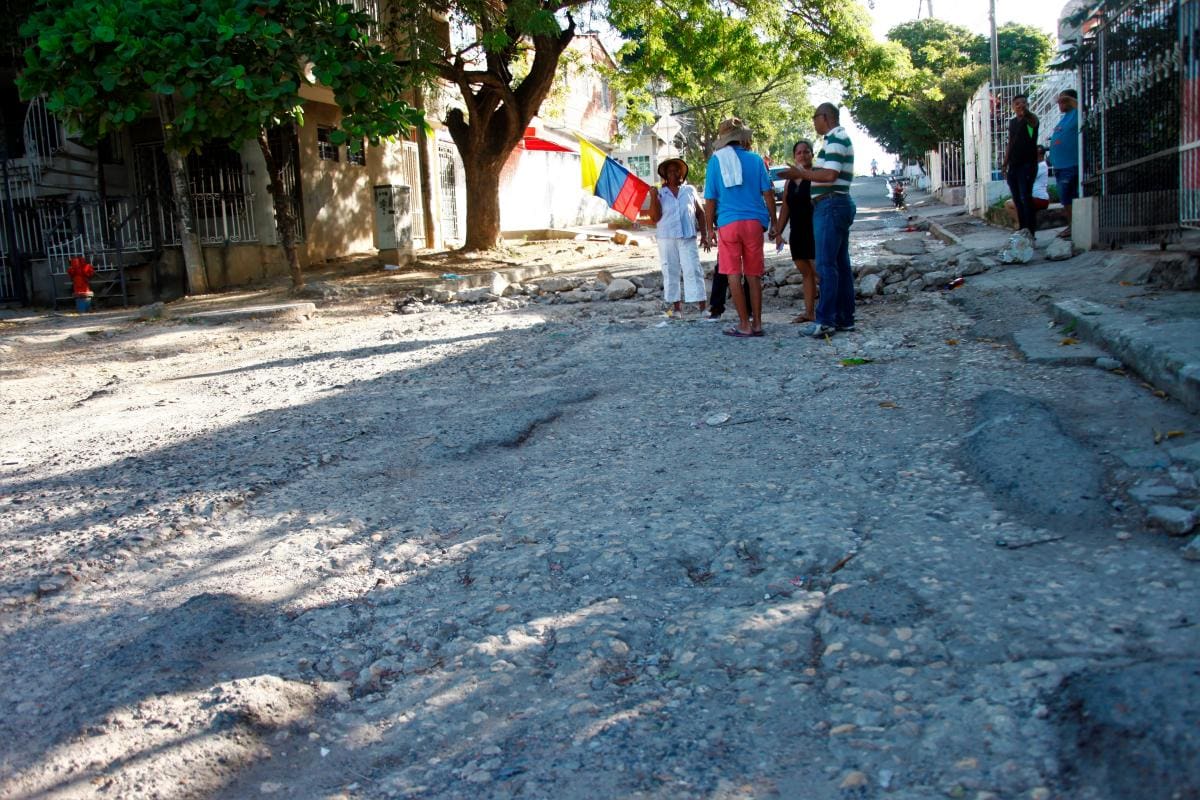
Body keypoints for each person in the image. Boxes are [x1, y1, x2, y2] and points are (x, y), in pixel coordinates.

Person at [779, 102, 856, 337]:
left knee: (825, 265)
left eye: (815, 118)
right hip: (835, 203)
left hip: (831, 203)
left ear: (824, 117)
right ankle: (844, 317)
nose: (813, 122)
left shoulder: (835, 139)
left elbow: (830, 175)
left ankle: (826, 320)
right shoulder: (836, 140)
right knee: (839, 265)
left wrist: (800, 173)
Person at [703, 117, 777, 338]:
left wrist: (709, 230)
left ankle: (743, 324)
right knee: (754, 275)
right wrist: (774, 222)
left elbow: (710, 200)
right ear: (742, 138)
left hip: (728, 223)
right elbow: (768, 193)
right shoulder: (756, 160)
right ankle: (757, 324)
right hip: (754, 223)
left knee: (733, 274)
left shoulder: (716, 162)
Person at [648, 157, 710, 317]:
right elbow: (654, 218)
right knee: (670, 270)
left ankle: (702, 308)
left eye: (677, 170)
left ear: (682, 173)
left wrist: (704, 234)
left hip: (687, 237)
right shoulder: (660, 193)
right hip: (666, 238)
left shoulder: (689, 190)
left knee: (693, 269)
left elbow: (700, 213)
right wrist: (653, 197)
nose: (674, 173)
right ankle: (676, 309)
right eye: (670, 171)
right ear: (666, 175)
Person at [771, 140, 818, 324]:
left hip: (814, 229)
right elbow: (785, 207)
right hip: (797, 230)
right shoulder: (790, 181)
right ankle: (809, 312)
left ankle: (832, 309)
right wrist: (778, 232)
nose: (803, 155)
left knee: (819, 271)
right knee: (805, 272)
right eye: (799, 152)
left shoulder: (816, 176)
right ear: (794, 156)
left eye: (806, 151)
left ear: (812, 155)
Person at [1001, 93, 1040, 236]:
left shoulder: (1031, 120)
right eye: (1017, 104)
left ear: (1027, 104)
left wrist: (1026, 113)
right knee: (1017, 198)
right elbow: (1010, 143)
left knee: (1026, 197)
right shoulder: (1012, 123)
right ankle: (1023, 228)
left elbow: (1033, 126)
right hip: (1014, 165)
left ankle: (1031, 231)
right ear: (1013, 107)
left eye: (1023, 102)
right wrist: (1005, 163)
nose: (1021, 105)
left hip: (1027, 164)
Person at [1050, 88, 1079, 239]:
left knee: (1068, 196)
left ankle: (1074, 226)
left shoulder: (1077, 114)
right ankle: (1071, 225)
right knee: (1065, 198)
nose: (1059, 104)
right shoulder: (1065, 117)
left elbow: (1081, 107)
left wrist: (1071, 99)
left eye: (1063, 101)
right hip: (1060, 166)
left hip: (1070, 164)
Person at [1005, 146, 1050, 229]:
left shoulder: (1042, 166)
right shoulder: (1037, 165)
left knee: (1011, 204)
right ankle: (1022, 226)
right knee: (1010, 203)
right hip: (1033, 198)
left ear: (1039, 154)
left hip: (1040, 199)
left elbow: (1027, 177)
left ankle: (1023, 226)